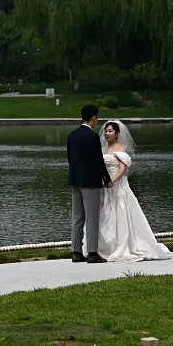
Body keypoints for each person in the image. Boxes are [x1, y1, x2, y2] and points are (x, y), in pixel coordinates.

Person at [96, 120, 171, 262]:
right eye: (106, 131)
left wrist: (112, 181)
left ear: (117, 133)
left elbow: (122, 169)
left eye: (110, 131)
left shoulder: (121, 148)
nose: (107, 133)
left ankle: (125, 245)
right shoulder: (102, 149)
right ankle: (106, 246)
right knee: (106, 215)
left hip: (118, 186)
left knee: (121, 213)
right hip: (105, 187)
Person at [67, 105, 112, 263]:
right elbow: (98, 161)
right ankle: (93, 252)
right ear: (94, 117)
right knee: (92, 217)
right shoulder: (92, 137)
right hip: (90, 182)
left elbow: (70, 159)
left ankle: (76, 252)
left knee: (77, 216)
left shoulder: (72, 135)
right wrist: (106, 179)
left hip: (75, 180)